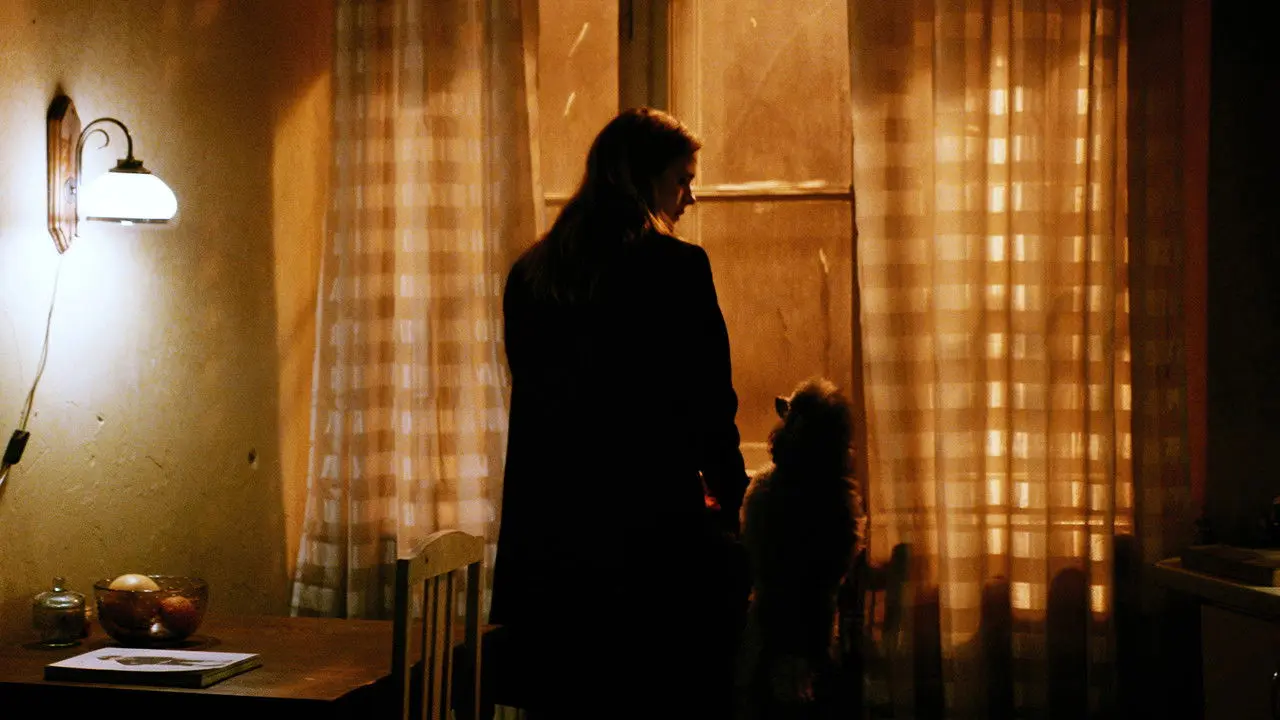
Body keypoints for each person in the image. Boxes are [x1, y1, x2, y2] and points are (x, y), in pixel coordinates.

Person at [490, 107, 751, 719]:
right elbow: (709, 406)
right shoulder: (678, 270)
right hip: (649, 541)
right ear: (644, 180)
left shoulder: (532, 275)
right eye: (682, 179)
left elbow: (536, 407)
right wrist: (735, 499)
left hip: (554, 545)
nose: (690, 196)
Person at [735, 377, 865, 720]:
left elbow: (753, 553)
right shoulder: (840, 505)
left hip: (770, 624)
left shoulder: (765, 492)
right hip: (816, 624)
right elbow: (840, 565)